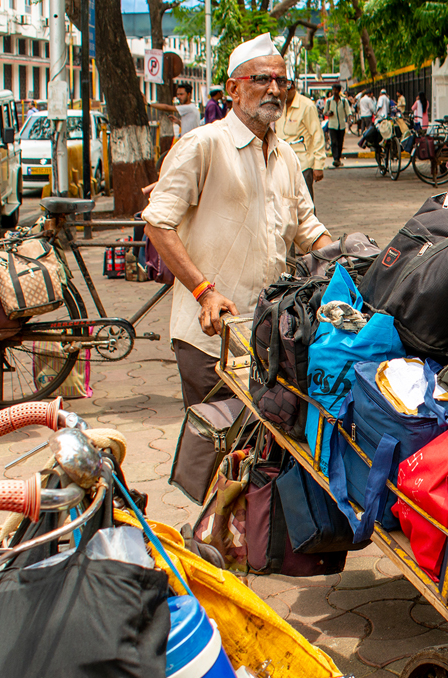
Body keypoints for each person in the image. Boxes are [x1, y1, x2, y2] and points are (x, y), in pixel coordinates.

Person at [142, 33, 333, 405]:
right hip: (211, 335)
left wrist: (353, 267)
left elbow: (308, 230)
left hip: (270, 335)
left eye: (281, 81)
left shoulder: (287, 157)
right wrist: (205, 292)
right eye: (261, 79)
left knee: (256, 454)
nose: (274, 89)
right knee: (209, 448)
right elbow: (158, 224)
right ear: (233, 87)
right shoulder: (203, 146)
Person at [276, 76, 327, 197]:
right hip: (282, 165)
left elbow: (317, 135)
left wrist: (318, 165)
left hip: (303, 165)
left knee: (306, 207)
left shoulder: (306, 106)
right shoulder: (278, 106)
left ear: (292, 87)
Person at [320, 81, 352, 168]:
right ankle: (335, 159)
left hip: (341, 125)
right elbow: (324, 112)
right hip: (332, 125)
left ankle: (338, 159)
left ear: (339, 91)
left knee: (340, 142)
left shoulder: (344, 101)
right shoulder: (329, 101)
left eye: (336, 90)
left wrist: (350, 120)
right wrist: (328, 113)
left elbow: (348, 112)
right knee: (334, 142)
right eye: (333, 90)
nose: (334, 91)